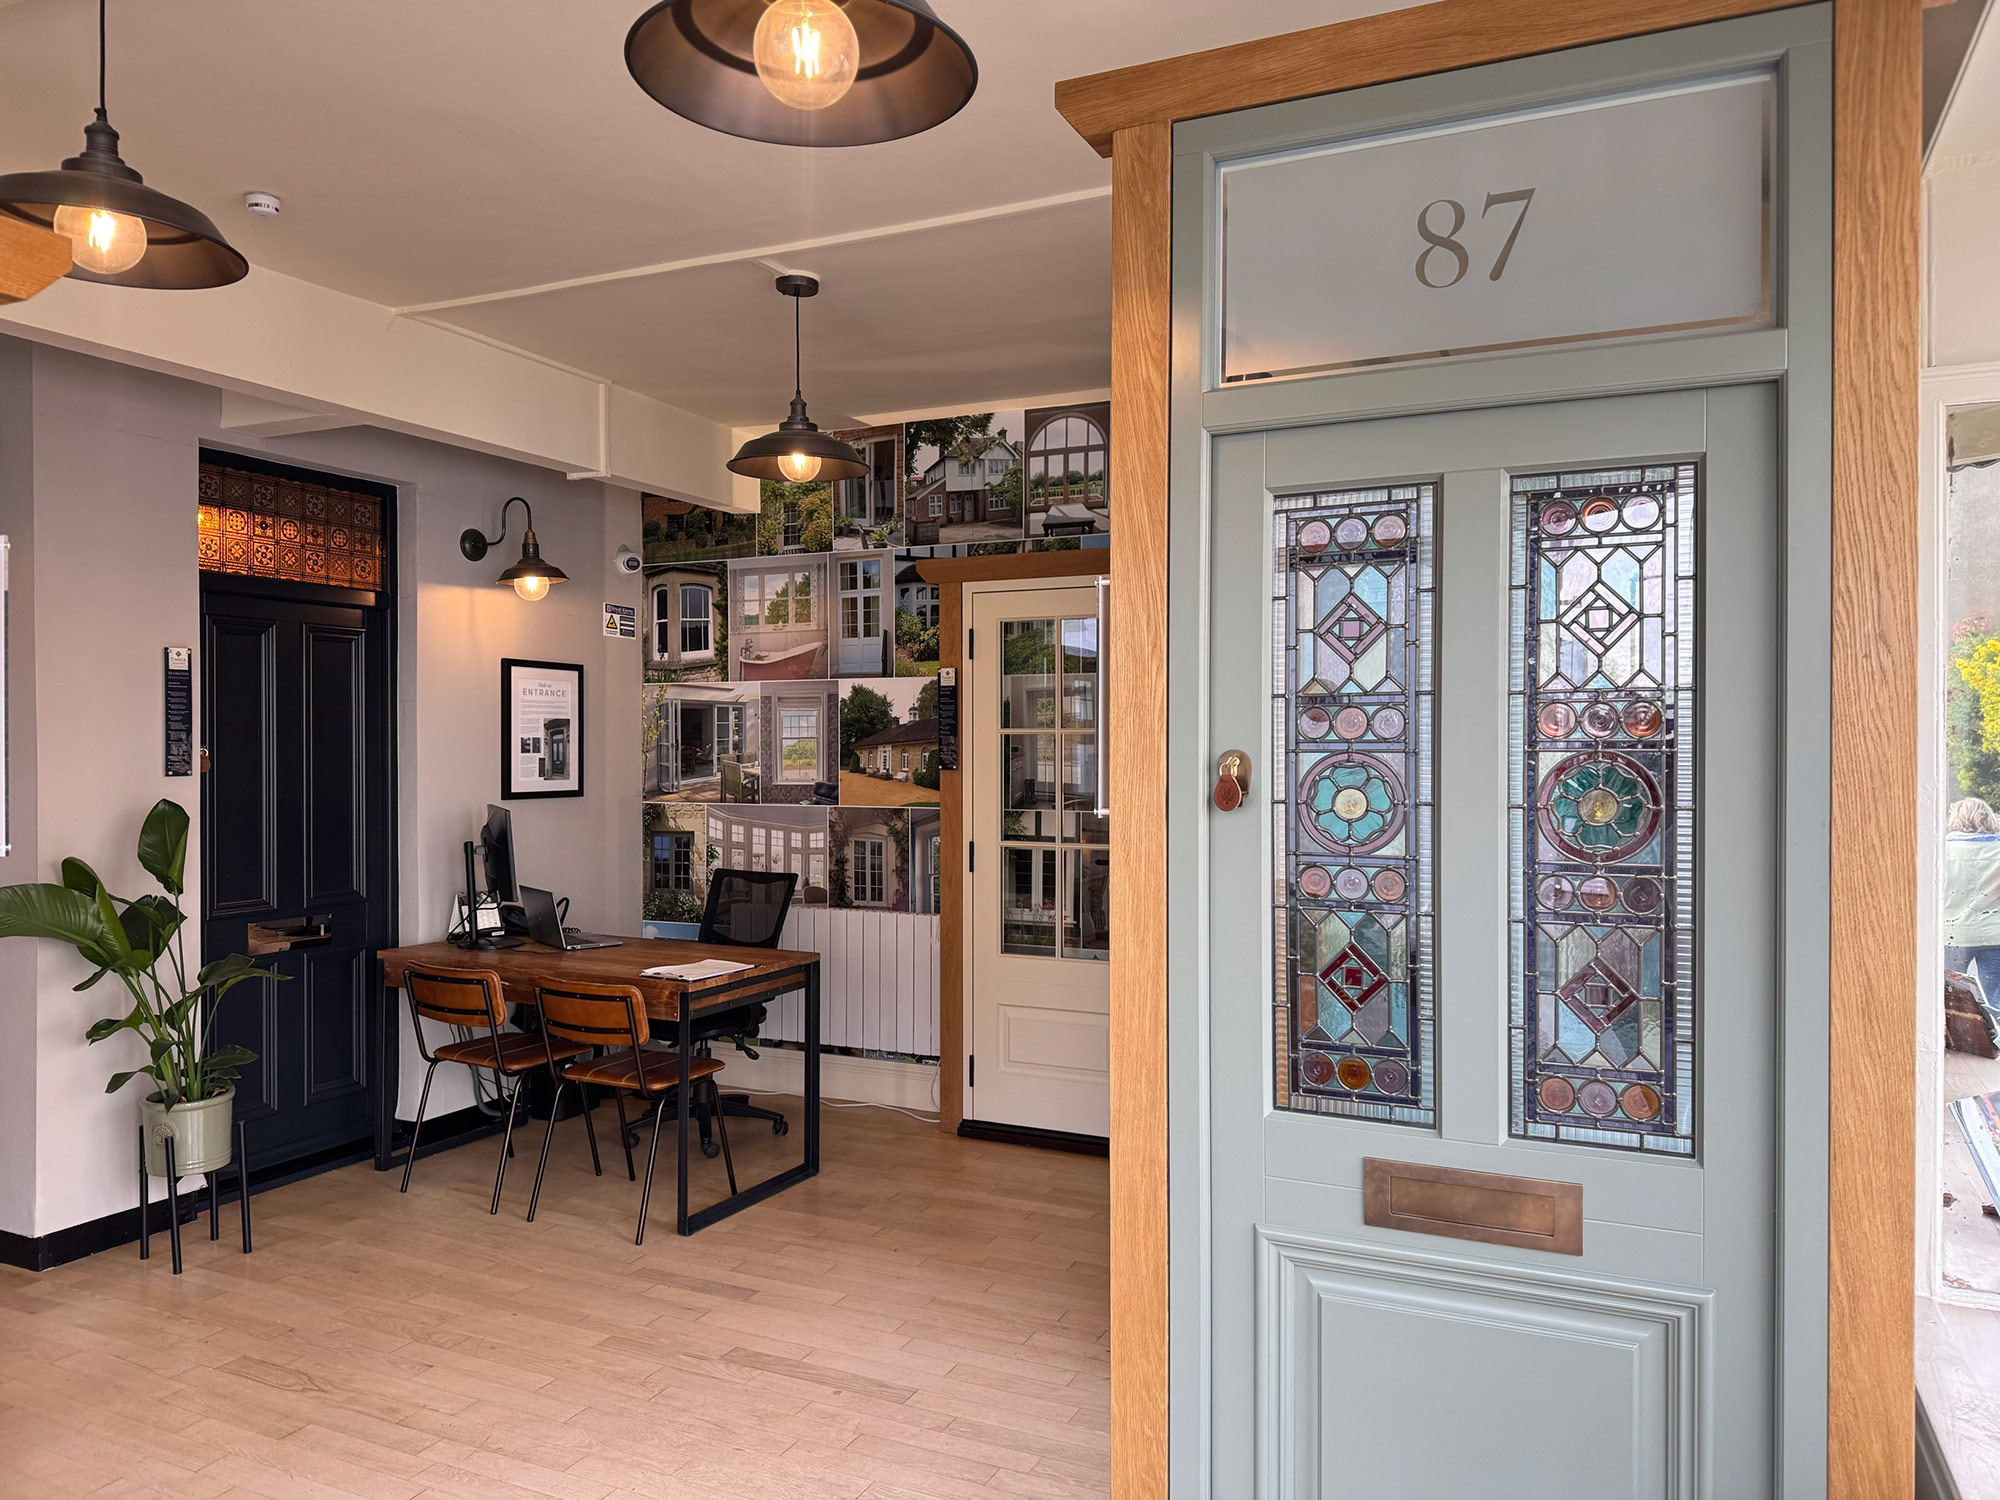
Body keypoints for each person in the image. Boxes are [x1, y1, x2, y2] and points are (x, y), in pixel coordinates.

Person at [1945, 799, 2000, 1028]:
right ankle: (1995, 1043)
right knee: (1993, 997)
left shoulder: (1942, 850)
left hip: (1952, 934)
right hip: (1994, 934)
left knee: (1950, 995)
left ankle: (1957, 1043)